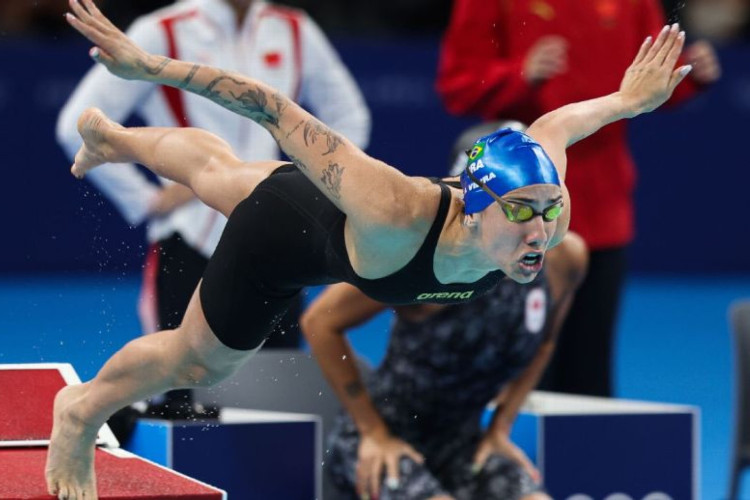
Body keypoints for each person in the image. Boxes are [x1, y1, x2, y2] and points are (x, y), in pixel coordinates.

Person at [48, 2, 691, 497]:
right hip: (284, 238)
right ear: (474, 203)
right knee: (200, 362)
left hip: (336, 227)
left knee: (222, 173)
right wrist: (149, 68)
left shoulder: (537, 181)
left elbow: (565, 123)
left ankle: (116, 140)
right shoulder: (395, 209)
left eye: (551, 210)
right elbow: (270, 107)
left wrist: (629, 101)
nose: (541, 232)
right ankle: (79, 411)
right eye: (521, 213)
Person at [56, 0, 371, 418]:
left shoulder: (295, 29)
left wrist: (301, 182)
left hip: (276, 237)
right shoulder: (161, 29)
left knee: (271, 405)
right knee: (182, 398)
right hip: (189, 237)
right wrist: (147, 199)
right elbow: (75, 124)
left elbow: (349, 119)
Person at [436, 0, 721, 397]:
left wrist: (687, 78)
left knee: (590, 371)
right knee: (517, 370)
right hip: (517, 218)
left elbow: (643, 90)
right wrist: (519, 74)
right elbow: (456, 85)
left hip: (605, 211)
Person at [301, 232, 587, 500]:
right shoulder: (432, 258)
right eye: (520, 207)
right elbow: (319, 322)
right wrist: (373, 432)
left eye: (548, 208)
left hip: (464, 446)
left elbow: (546, 342)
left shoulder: (564, 260)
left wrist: (500, 426)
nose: (537, 225)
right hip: (382, 443)